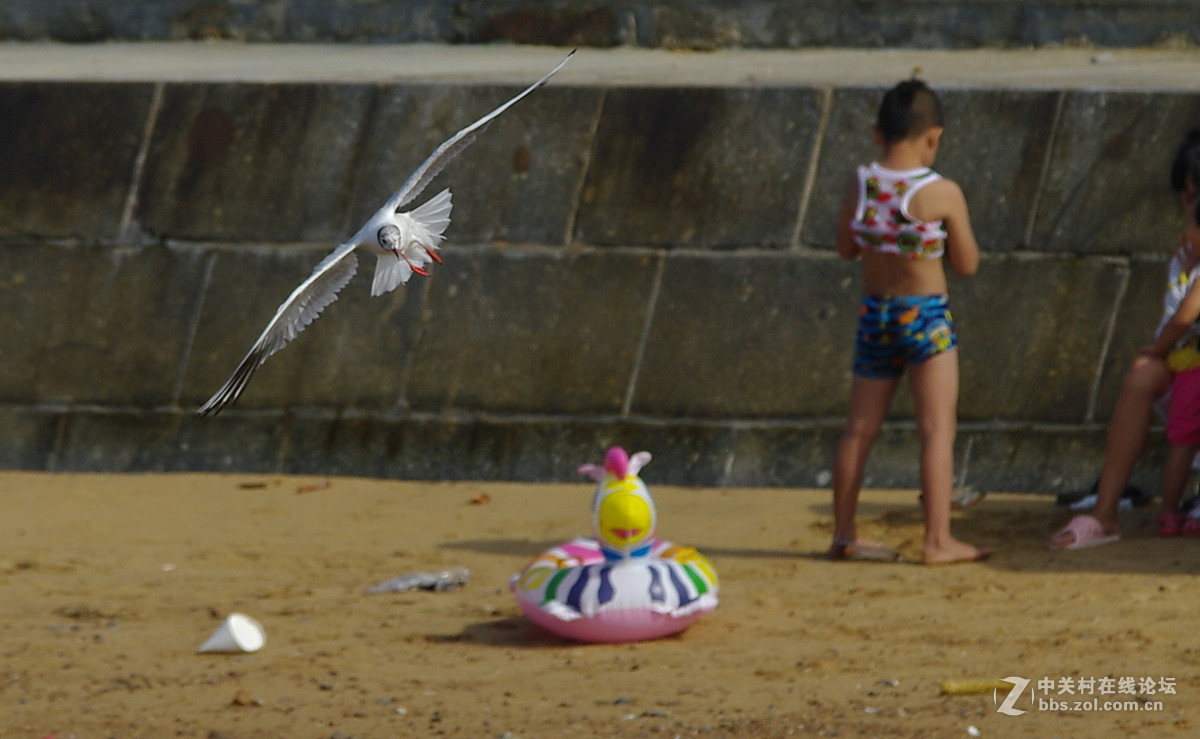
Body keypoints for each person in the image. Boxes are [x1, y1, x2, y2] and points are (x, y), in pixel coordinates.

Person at [828, 78, 990, 565]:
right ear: (933, 136)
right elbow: (966, 264)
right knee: (937, 428)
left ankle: (844, 534)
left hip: (875, 312)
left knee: (859, 429)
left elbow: (845, 248)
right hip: (926, 316)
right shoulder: (941, 192)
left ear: (878, 133)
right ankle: (937, 539)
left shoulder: (862, 183)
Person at [1049, 128, 1200, 549]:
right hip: (1190, 370)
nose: (1191, 215)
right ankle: (1106, 513)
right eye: (1187, 201)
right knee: (1141, 376)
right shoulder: (1186, 260)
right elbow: (1176, 323)